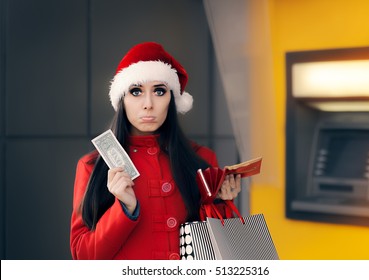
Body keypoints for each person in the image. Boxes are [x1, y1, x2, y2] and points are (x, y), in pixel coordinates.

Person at [70, 42, 241, 260]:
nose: (148, 104)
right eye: (136, 91)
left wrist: (221, 203)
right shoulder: (92, 166)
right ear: (122, 98)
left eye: (159, 91)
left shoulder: (203, 159)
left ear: (172, 98)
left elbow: (221, 253)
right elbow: (83, 257)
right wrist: (124, 208)